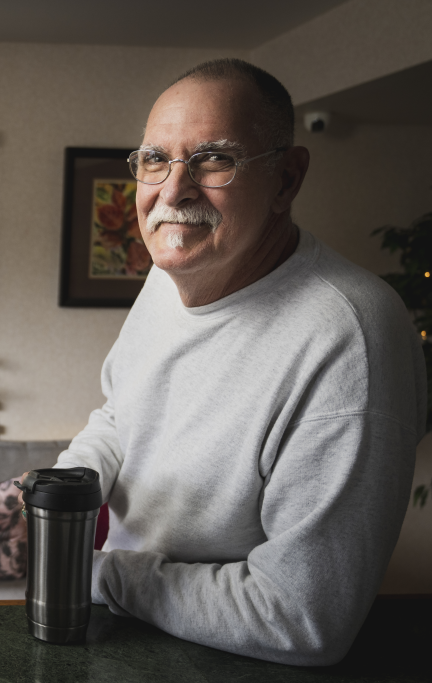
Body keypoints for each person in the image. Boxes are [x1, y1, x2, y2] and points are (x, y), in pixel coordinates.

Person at [55, 58, 427, 666]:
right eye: (156, 160)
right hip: (130, 631)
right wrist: (72, 481)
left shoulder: (351, 337)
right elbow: (123, 410)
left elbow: (302, 616)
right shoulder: (173, 269)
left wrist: (103, 577)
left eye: (213, 159)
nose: (173, 192)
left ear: (286, 178)